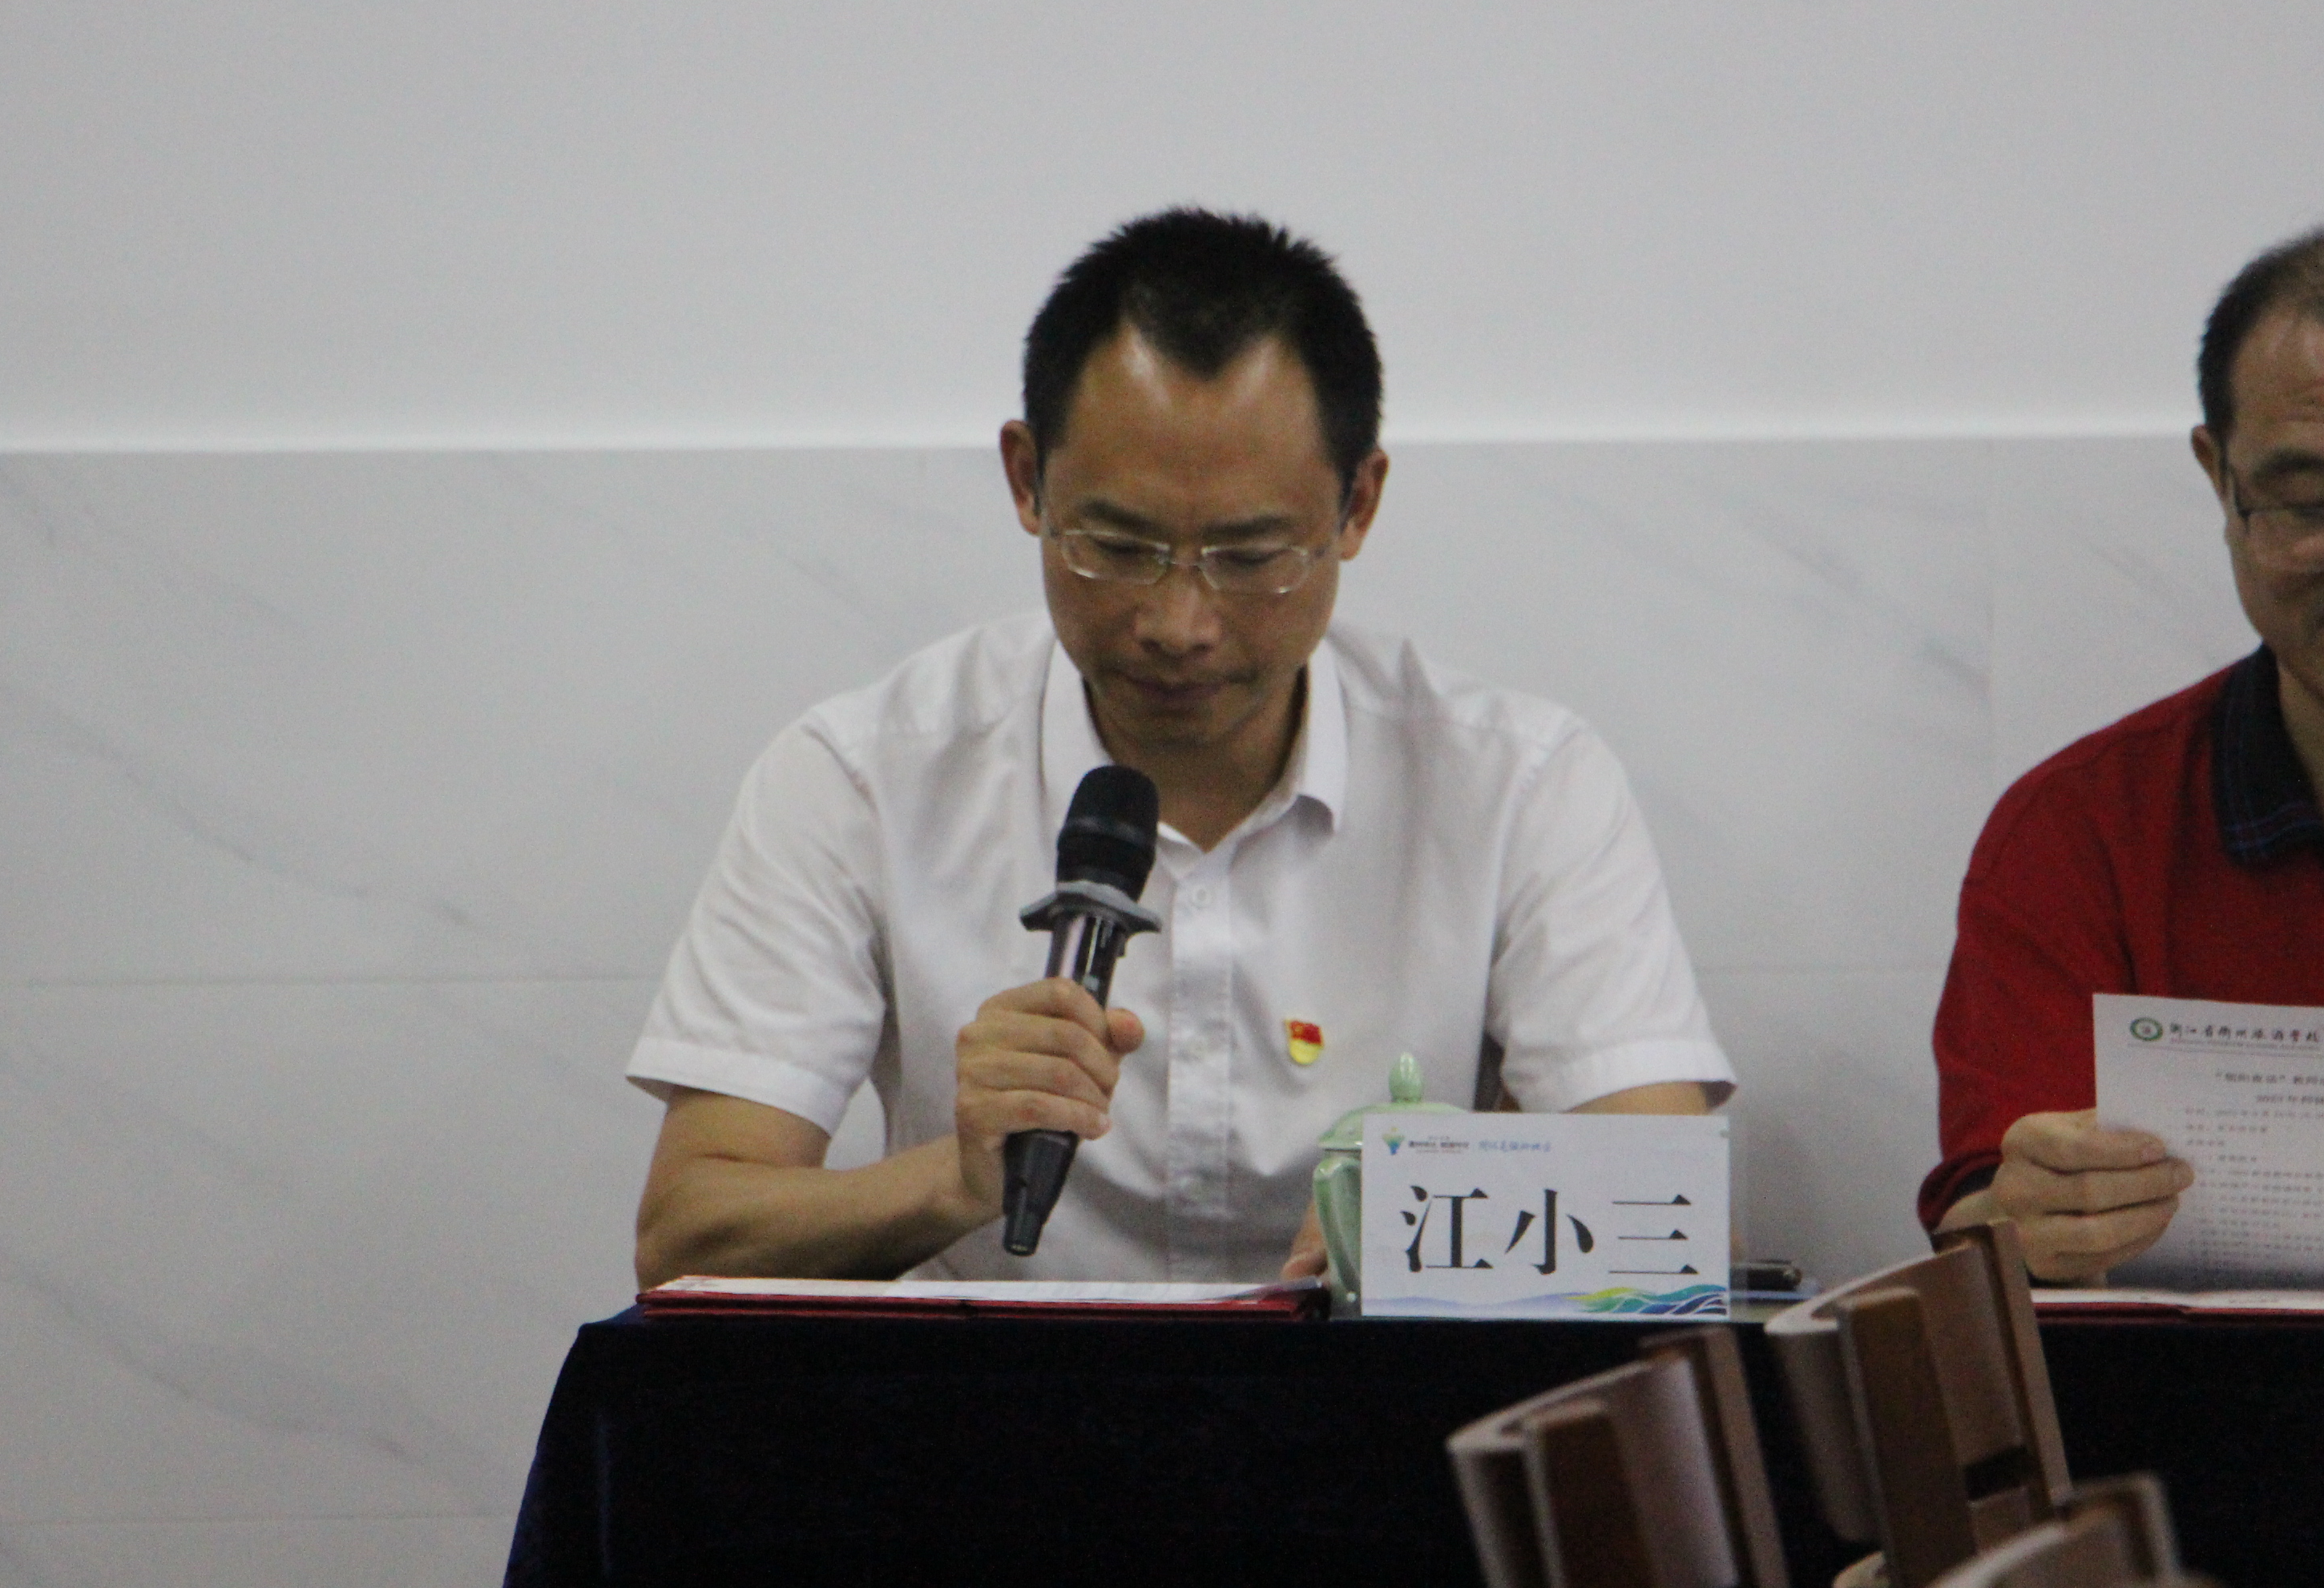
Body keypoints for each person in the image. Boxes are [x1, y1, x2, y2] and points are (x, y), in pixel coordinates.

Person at [627, 208, 1735, 1287]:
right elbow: (687, 1234)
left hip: (1372, 1403)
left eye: (1251, 558)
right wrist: (951, 1180)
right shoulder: (862, 776)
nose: (1178, 623)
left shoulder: (1519, 782)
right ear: (1025, 480)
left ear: (1357, 505)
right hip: (986, 1405)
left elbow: (1668, 1213)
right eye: (1118, 546)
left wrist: (1427, 1217)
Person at [1923, 214, 2324, 1280]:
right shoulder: (2083, 834)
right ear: (2219, 479)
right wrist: (2018, 1227)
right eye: (2310, 502)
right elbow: (1988, 1232)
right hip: (2205, 1392)